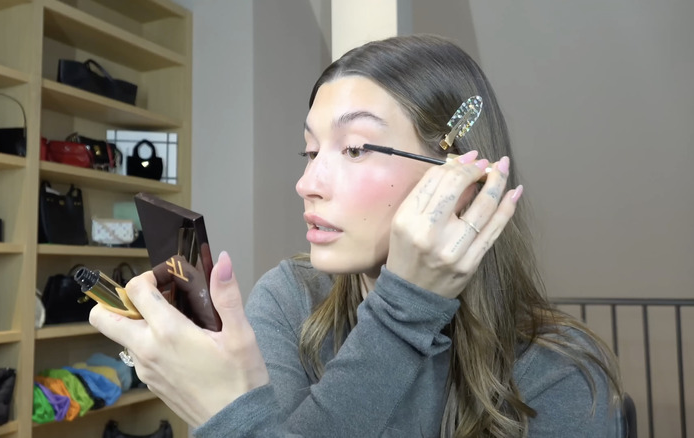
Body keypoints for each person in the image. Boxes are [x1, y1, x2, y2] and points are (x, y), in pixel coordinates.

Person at [90, 34, 624, 437]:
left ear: (463, 178)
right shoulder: (292, 296)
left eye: (354, 149)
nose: (306, 183)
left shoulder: (560, 373)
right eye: (309, 151)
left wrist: (230, 413)